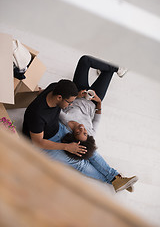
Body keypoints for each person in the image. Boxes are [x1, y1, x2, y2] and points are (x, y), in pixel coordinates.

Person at [22, 55, 138, 192]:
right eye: (69, 102)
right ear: (59, 97)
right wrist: (66, 147)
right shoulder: (38, 115)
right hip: (46, 143)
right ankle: (112, 180)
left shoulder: (55, 87)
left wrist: (79, 95)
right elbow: (38, 142)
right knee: (79, 163)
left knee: (88, 148)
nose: (71, 105)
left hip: (57, 129)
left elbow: (66, 100)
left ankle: (116, 177)